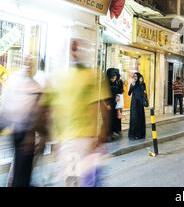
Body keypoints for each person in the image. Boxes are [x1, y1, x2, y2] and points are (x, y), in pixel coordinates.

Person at [43, 39, 111, 187]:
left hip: (86, 141)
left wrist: (101, 134)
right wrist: (54, 140)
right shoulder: (55, 78)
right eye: (73, 48)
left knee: (82, 181)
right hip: (70, 144)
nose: (75, 52)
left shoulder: (92, 75)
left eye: (77, 48)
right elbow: (48, 112)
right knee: (75, 181)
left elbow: (102, 107)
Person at [0, 56, 47, 187]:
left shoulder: (17, 80)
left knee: (21, 169)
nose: (29, 66)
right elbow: (37, 113)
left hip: (17, 129)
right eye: (28, 63)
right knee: (22, 171)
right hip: (23, 131)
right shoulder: (34, 85)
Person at [106, 68, 124, 140]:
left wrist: (118, 96)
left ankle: (114, 131)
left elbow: (120, 92)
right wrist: (106, 104)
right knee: (108, 118)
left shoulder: (118, 82)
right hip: (108, 103)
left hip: (115, 103)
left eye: (115, 77)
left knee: (115, 117)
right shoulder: (106, 83)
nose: (114, 78)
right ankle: (108, 133)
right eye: (113, 77)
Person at [128, 72, 147, 140]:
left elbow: (144, 93)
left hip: (140, 104)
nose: (135, 77)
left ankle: (140, 135)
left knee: (140, 119)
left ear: (139, 77)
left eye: (136, 76)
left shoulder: (142, 84)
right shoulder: (133, 84)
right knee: (134, 118)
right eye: (134, 76)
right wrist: (132, 85)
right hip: (134, 104)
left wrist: (141, 83)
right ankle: (133, 134)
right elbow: (129, 93)